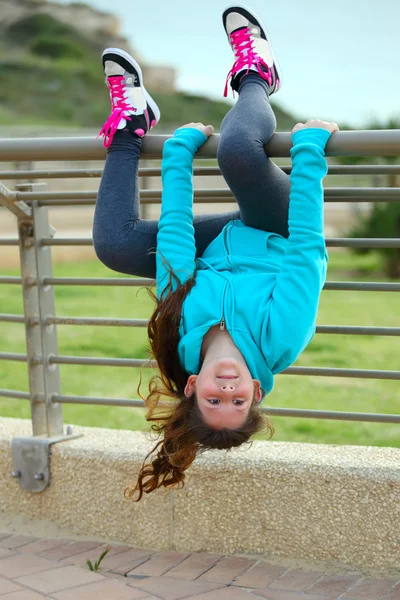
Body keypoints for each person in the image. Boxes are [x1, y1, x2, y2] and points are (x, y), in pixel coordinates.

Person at [93, 5, 339, 501]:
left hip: (223, 242)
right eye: (237, 398)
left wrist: (177, 157)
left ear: (191, 389)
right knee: (237, 154)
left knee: (116, 245)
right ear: (257, 391)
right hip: (281, 230)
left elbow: (176, 244)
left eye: (214, 398)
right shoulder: (280, 338)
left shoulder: (179, 332)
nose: (227, 387)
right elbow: (307, 249)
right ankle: (256, 74)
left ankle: (130, 126)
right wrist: (309, 153)